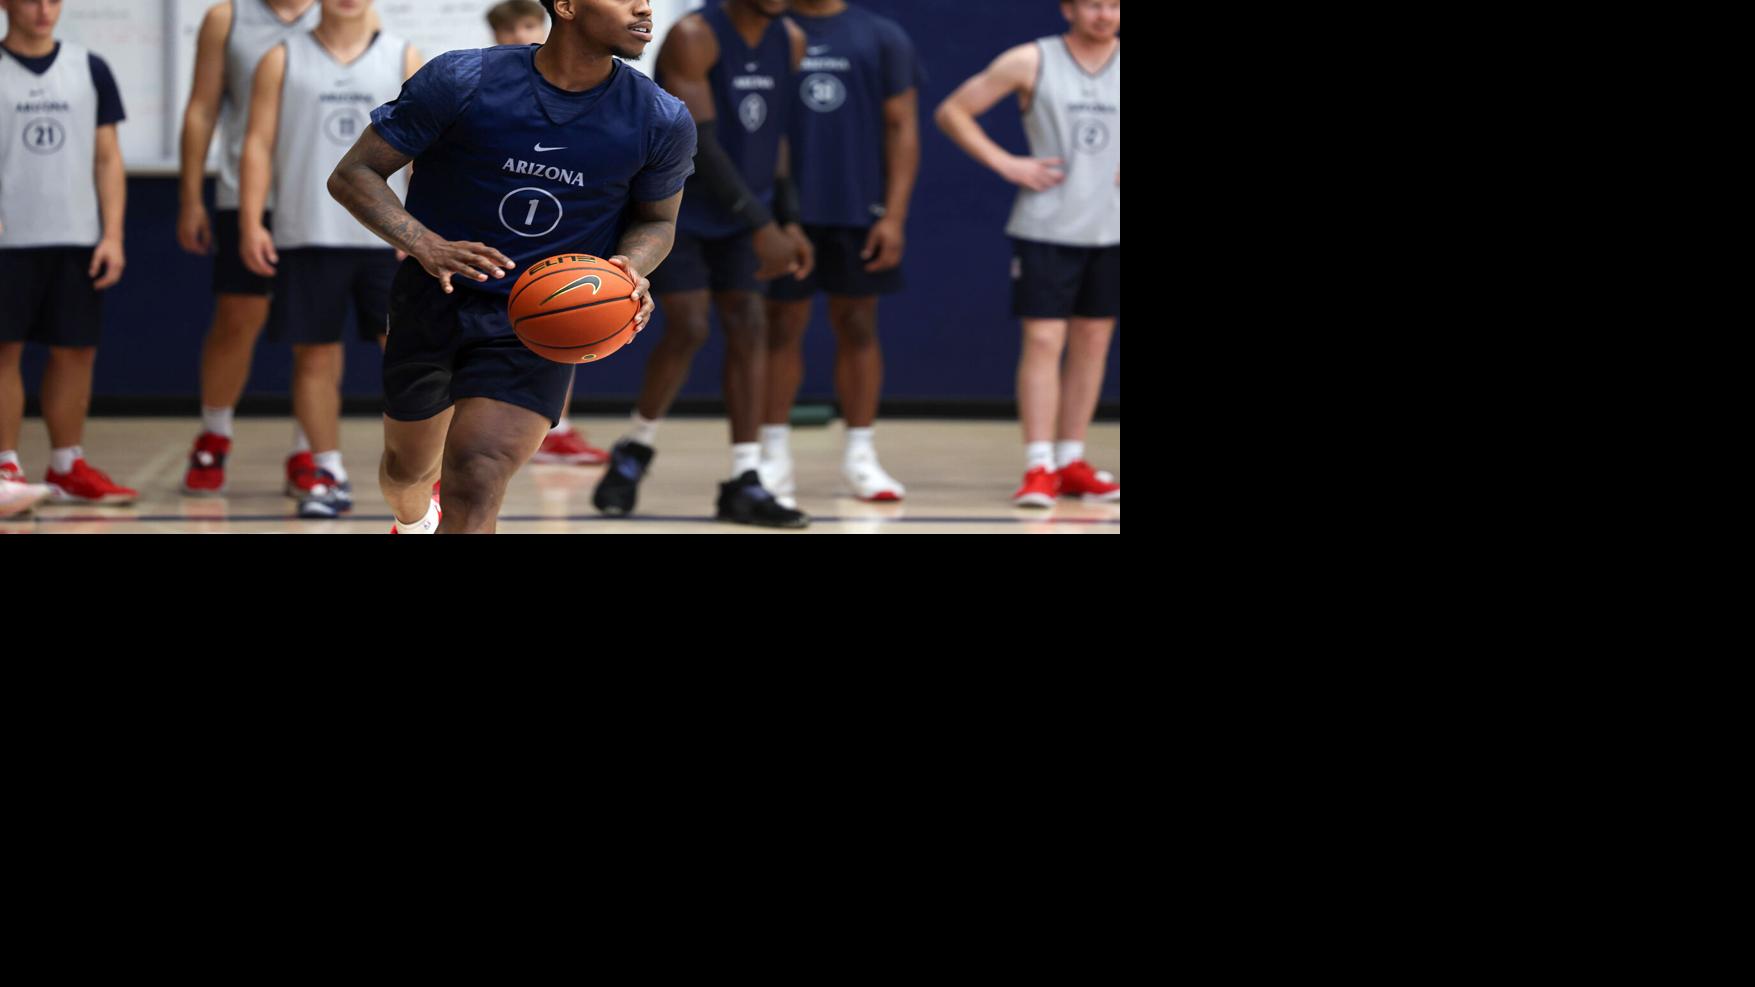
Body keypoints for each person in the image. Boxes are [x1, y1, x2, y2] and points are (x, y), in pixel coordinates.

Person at [327, 0, 695, 533]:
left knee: (477, 475)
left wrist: (628, 269)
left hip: (540, 320)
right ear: (566, 6)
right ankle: (412, 521)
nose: (644, 8)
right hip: (435, 299)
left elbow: (657, 222)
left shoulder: (661, 118)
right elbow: (353, 173)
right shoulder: (463, 79)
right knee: (405, 472)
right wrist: (427, 245)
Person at [590, 0, 811, 527]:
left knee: (750, 326)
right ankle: (635, 447)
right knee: (688, 327)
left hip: (747, 211)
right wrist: (764, 226)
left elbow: (775, 136)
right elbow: (702, 147)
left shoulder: (792, 40)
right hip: (677, 210)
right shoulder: (695, 35)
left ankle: (745, 476)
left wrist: (790, 217)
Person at [935, 0, 1120, 506]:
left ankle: (1072, 459)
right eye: (1093, 4)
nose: (1104, 14)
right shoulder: (1030, 60)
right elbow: (952, 110)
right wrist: (1007, 163)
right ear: (1068, 8)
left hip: (1111, 228)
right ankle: (1039, 464)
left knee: (1093, 341)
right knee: (1043, 340)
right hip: (1047, 225)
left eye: (1113, 4)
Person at [238, 0, 418, 518]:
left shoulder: (404, 56)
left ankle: (421, 475)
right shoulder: (281, 56)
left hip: (388, 238)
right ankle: (324, 470)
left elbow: (424, 156)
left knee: (409, 359)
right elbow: (257, 142)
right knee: (314, 357)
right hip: (306, 231)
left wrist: (419, 231)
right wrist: (252, 220)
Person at [760, 0, 921, 507]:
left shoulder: (881, 35)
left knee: (858, 326)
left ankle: (860, 456)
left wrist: (893, 216)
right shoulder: (768, 30)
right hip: (786, 209)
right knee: (780, 327)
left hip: (857, 207)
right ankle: (771, 455)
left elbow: (903, 126)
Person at [177, 1, 323, 498]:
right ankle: (214, 433)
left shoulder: (341, 13)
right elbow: (202, 107)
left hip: (318, 196)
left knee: (317, 330)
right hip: (247, 196)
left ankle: (310, 450)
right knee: (238, 317)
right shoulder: (228, 17)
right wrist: (191, 195)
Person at [0, 0, 135, 504]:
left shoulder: (89, 67)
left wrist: (113, 234)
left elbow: (107, 157)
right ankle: (5, 469)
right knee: (4, 351)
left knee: (76, 350)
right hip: (10, 240)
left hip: (76, 237)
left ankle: (65, 465)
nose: (42, 10)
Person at [488, 0, 609, 466]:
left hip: (556, 233)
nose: (518, 34)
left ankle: (559, 427)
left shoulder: (584, 93)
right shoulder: (482, 85)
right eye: (508, 28)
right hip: (487, 233)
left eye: (526, 25)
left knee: (566, 323)